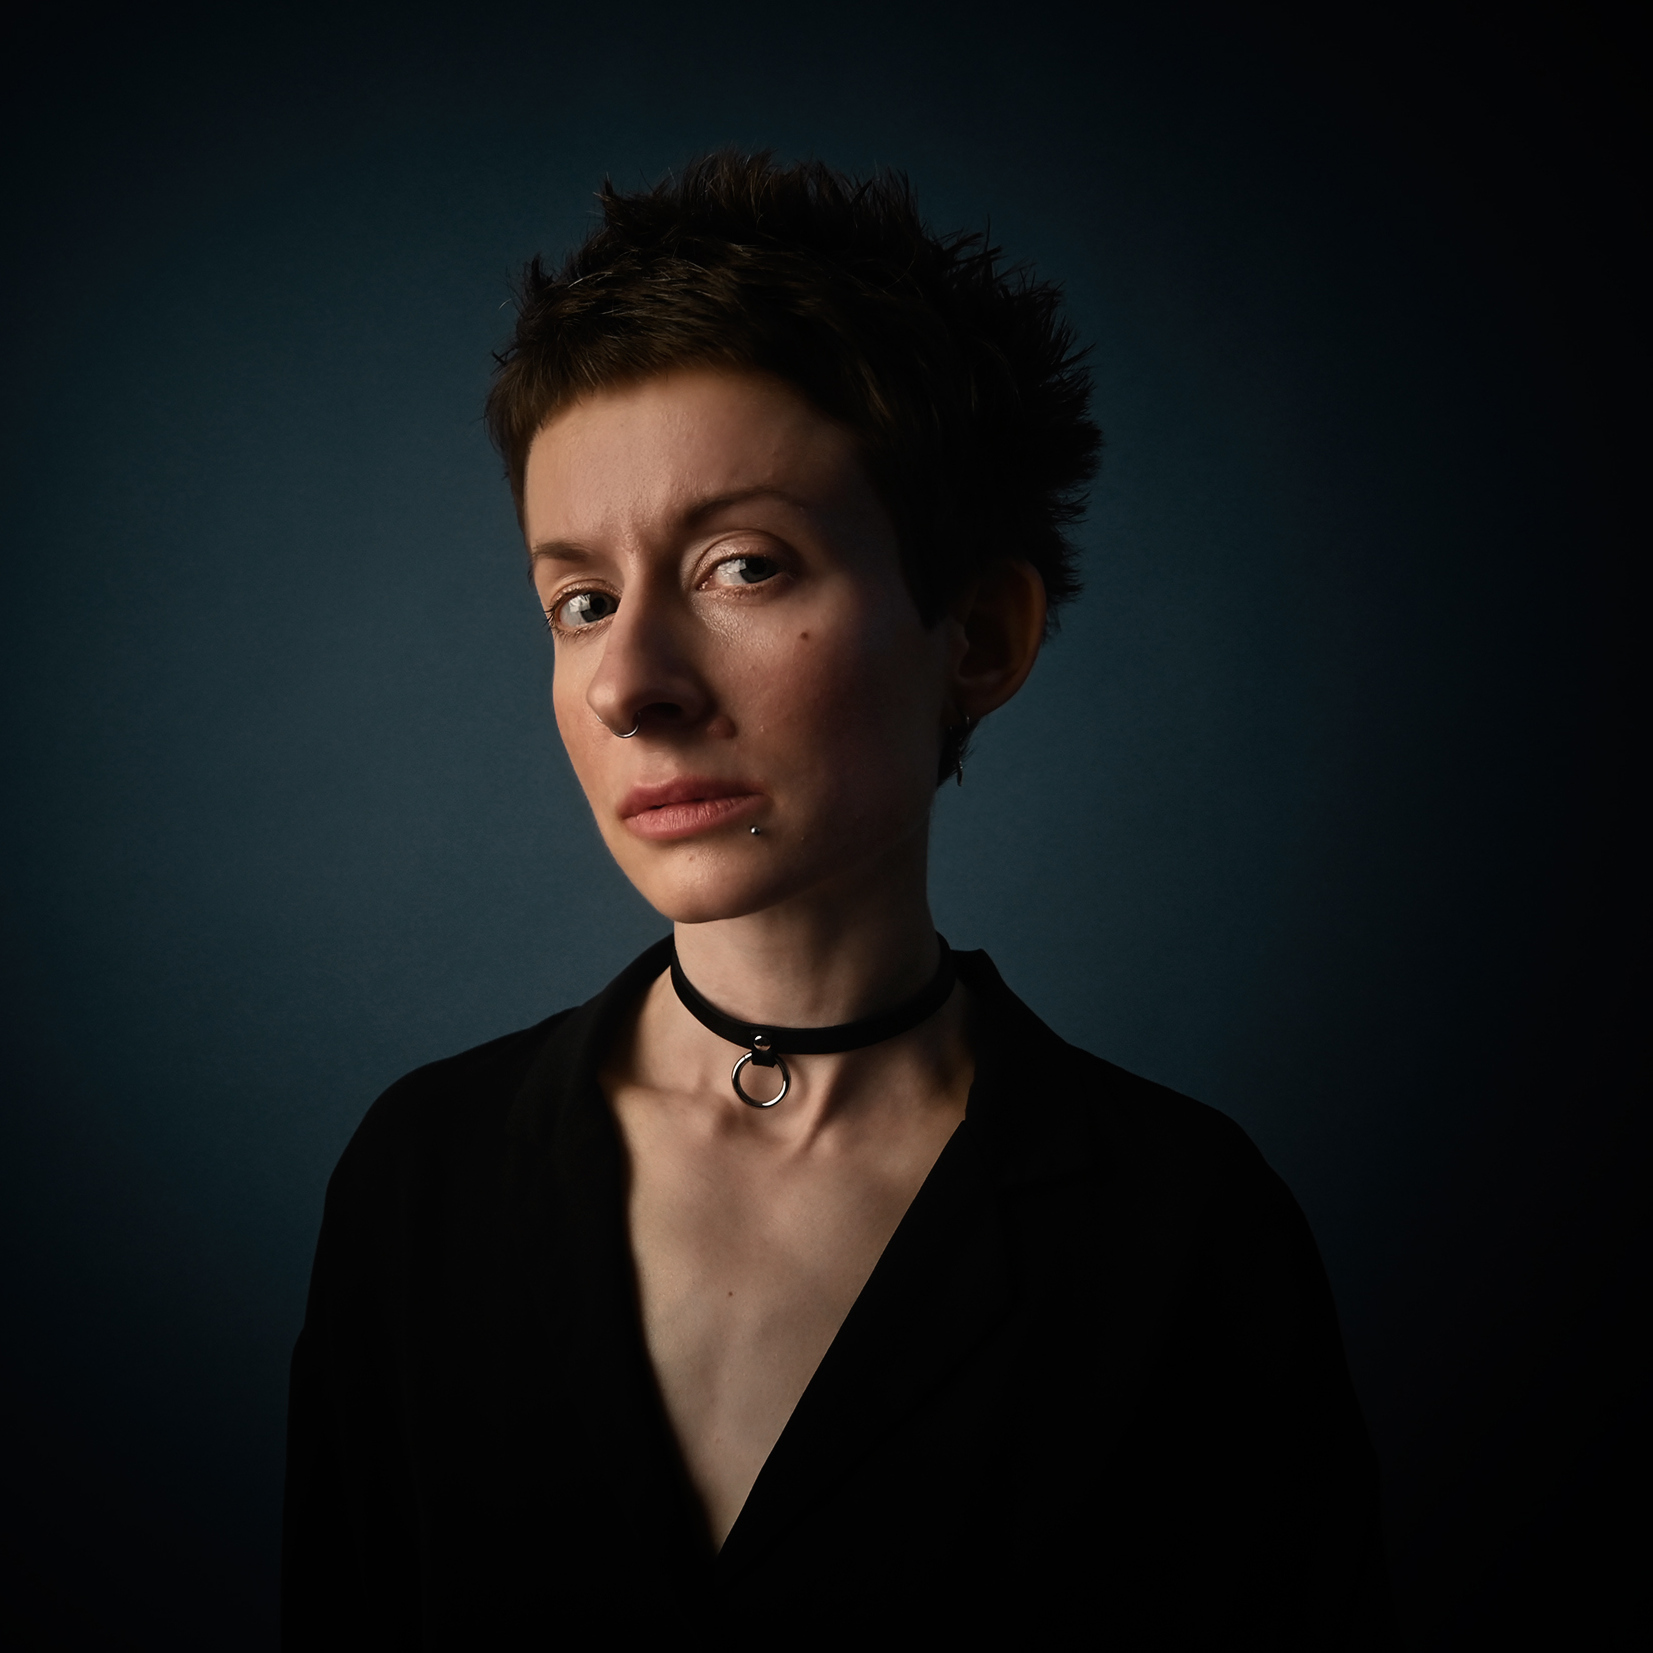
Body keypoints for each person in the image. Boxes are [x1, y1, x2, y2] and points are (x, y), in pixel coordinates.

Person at [282, 152, 1392, 1647]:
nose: (627, 685)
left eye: (742, 566)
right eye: (581, 601)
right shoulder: (421, 1179)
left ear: (979, 638)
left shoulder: (1185, 1236)